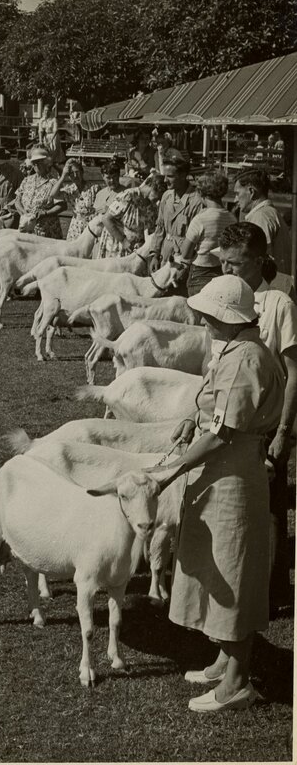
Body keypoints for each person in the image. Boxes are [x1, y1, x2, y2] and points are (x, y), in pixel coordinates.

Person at [146, 274, 284, 713]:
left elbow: (224, 433)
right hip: (219, 473)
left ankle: (237, 683)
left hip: (232, 476)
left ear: (228, 318)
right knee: (215, 565)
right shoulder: (235, 351)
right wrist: (192, 417)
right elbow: (214, 407)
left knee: (233, 572)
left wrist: (172, 470)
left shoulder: (246, 360)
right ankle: (225, 659)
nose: (204, 323)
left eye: (209, 317)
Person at [214, 222, 297, 613]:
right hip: (226, 422)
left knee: (269, 509)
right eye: (224, 263)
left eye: (237, 264)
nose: (228, 271)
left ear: (260, 261)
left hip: (265, 425)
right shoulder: (221, 298)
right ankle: (239, 584)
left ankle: (271, 589)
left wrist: (284, 431)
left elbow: (293, 372)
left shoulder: (278, 304)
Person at [178, 172, 235, 296]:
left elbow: (185, 253)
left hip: (200, 273)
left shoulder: (200, 219)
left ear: (201, 194)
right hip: (222, 271)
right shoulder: (232, 218)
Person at [94, 175, 164, 258]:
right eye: (159, 195)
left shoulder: (152, 206)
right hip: (116, 247)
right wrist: (123, 240)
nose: (158, 200)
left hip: (136, 251)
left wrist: (142, 242)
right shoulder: (128, 196)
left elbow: (149, 230)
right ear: (152, 187)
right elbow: (106, 219)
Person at [153, 153, 204, 266]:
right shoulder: (166, 196)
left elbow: (196, 238)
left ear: (183, 175)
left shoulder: (196, 201)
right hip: (164, 254)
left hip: (183, 258)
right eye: (164, 176)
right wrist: (155, 255)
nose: (165, 180)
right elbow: (160, 228)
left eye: (170, 176)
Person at [234, 168, 291, 270]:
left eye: (237, 194)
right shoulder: (268, 213)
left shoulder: (261, 217)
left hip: (270, 283)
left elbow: (260, 259)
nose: (235, 199)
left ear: (251, 192)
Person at [13, 145, 64, 238]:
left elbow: (62, 205)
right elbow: (17, 200)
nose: (36, 165)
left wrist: (45, 213)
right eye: (34, 162)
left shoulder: (53, 182)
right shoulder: (27, 180)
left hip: (46, 231)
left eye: (39, 162)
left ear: (46, 163)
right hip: (26, 230)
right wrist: (24, 213)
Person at [50, 159, 99, 241]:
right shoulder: (70, 190)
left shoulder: (94, 188)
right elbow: (53, 194)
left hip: (91, 227)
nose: (75, 176)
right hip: (75, 228)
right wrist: (63, 176)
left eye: (77, 172)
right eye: (71, 174)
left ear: (82, 172)